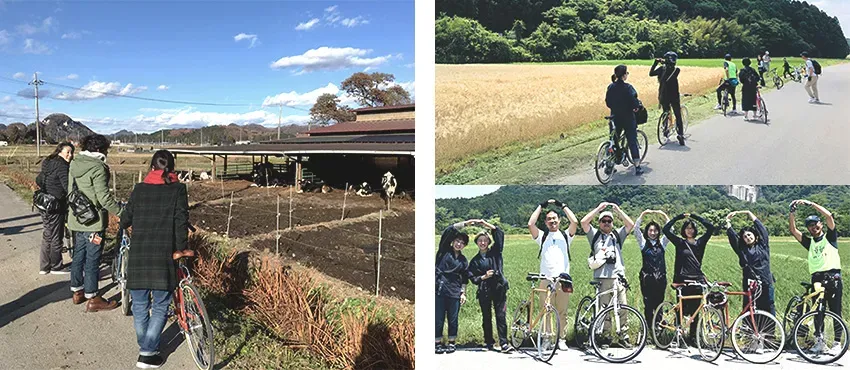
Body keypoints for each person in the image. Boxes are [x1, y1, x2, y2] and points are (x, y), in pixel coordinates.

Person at [119, 150, 188, 369]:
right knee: (160, 305)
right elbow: (181, 222)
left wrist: (127, 223)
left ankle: (146, 347)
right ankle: (148, 351)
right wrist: (181, 249)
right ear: (173, 168)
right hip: (163, 253)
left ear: (151, 167)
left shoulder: (139, 189)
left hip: (139, 253)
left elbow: (125, 219)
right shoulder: (178, 189)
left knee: (140, 304)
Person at [67, 134, 121, 311]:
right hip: (93, 221)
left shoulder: (75, 163)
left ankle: (77, 291)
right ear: (99, 149)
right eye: (106, 149)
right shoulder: (98, 167)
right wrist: (121, 212)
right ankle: (93, 297)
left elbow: (70, 190)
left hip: (76, 218)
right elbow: (104, 198)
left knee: (78, 255)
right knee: (92, 259)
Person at [789, 199, 842, 351]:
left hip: (832, 276)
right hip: (817, 278)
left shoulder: (830, 238)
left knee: (835, 311)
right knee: (818, 311)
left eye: (815, 224)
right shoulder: (809, 242)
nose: (813, 227)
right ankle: (820, 341)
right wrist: (792, 212)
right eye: (810, 226)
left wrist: (810, 204)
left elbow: (829, 216)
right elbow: (793, 230)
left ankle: (837, 343)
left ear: (821, 224)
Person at [528, 199, 578, 350]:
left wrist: (562, 205)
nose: (552, 221)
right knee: (546, 310)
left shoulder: (566, 235)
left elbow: (574, 221)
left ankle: (561, 339)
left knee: (562, 311)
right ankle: (547, 338)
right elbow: (531, 224)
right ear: (546, 222)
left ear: (559, 220)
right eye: (549, 219)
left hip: (563, 280)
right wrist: (540, 206)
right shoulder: (542, 237)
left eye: (554, 218)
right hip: (546, 279)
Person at [581, 202, 635, 337]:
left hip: (618, 277)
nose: (606, 223)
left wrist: (618, 211)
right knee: (604, 309)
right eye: (603, 221)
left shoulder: (617, 235)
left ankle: (623, 335)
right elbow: (584, 222)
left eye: (609, 221)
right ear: (599, 223)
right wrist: (598, 209)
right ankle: (606, 335)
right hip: (602, 278)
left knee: (622, 306)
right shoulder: (594, 235)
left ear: (612, 223)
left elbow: (630, 225)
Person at [663, 212, 716, 343]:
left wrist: (694, 216)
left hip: (697, 280)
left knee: (695, 310)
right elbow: (665, 230)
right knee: (680, 309)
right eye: (687, 228)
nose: (689, 230)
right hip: (682, 280)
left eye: (692, 228)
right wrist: (678, 217)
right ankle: (678, 336)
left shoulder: (700, 243)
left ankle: (693, 337)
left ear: (695, 230)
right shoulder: (680, 243)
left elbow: (711, 228)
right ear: (684, 230)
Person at [466, 220, 509, 352]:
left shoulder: (496, 252)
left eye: (485, 240)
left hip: (499, 288)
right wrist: (483, 277)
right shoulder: (475, 260)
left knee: (501, 316)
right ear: (476, 243)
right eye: (480, 240)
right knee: (486, 317)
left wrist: (485, 224)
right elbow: (472, 277)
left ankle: (504, 343)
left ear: (489, 242)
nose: (483, 243)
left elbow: (499, 233)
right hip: (484, 290)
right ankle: (489, 342)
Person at [725, 211, 775, 315]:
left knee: (768, 306)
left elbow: (762, 229)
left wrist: (749, 213)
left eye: (749, 235)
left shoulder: (763, 245)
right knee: (750, 307)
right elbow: (733, 238)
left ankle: (769, 326)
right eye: (745, 237)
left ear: (755, 235)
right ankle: (750, 326)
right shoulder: (742, 250)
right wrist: (728, 221)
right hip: (750, 283)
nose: (748, 238)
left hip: (765, 281)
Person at [35, 142, 74, 275]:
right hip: (56, 204)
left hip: (44, 203)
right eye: (67, 152)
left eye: (72, 152)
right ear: (60, 151)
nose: (70, 155)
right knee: (56, 235)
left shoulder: (48, 162)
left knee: (48, 234)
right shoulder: (62, 166)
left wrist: (48, 188)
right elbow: (67, 186)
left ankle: (44, 266)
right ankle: (56, 266)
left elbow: (38, 179)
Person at [436, 220, 471, 354]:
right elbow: (448, 231)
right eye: (457, 241)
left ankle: (451, 342)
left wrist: (463, 293)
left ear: (464, 246)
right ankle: (437, 342)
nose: (459, 244)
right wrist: (466, 223)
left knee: (453, 319)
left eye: (462, 243)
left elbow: (464, 278)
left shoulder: (463, 260)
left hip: (455, 291)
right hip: (439, 289)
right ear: (452, 241)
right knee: (438, 318)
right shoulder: (444, 251)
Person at [605, 64, 644, 175]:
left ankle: (609, 165)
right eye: (626, 73)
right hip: (627, 117)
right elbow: (634, 102)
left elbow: (608, 102)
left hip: (614, 117)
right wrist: (636, 107)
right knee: (632, 140)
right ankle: (637, 166)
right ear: (623, 75)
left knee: (613, 140)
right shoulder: (628, 87)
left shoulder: (611, 87)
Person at [634, 209, 670, 324]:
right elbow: (636, 230)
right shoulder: (643, 243)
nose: (653, 233)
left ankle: (658, 325)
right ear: (647, 231)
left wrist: (663, 215)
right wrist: (643, 214)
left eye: (655, 230)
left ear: (658, 232)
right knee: (648, 303)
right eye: (650, 230)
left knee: (659, 303)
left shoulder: (662, 243)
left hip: (660, 278)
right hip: (647, 279)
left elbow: (670, 230)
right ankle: (649, 326)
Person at [650, 51, 686, 145]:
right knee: (677, 115)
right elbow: (671, 70)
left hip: (663, 95)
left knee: (666, 112)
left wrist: (656, 63)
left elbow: (651, 73)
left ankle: (665, 131)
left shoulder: (661, 69)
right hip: (674, 96)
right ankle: (680, 134)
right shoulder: (676, 70)